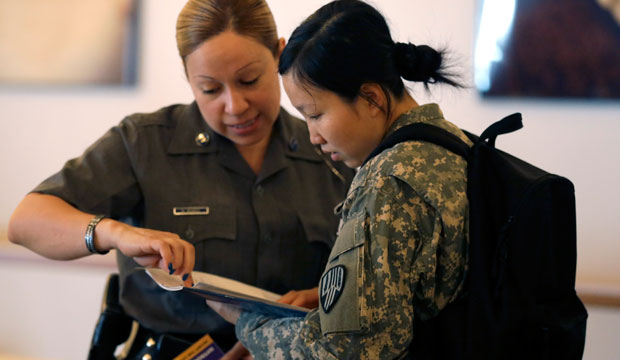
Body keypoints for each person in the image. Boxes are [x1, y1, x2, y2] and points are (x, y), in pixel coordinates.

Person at [7, 0, 353, 358]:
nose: (235, 105)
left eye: (249, 80)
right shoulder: (145, 144)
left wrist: (325, 298)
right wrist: (117, 233)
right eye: (210, 89)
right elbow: (26, 221)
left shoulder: (329, 150)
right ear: (188, 76)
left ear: (280, 56)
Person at [207, 0, 470, 358]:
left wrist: (248, 321)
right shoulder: (454, 144)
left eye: (315, 114)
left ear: (371, 98)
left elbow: (343, 350)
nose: (313, 135)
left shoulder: (388, 182)